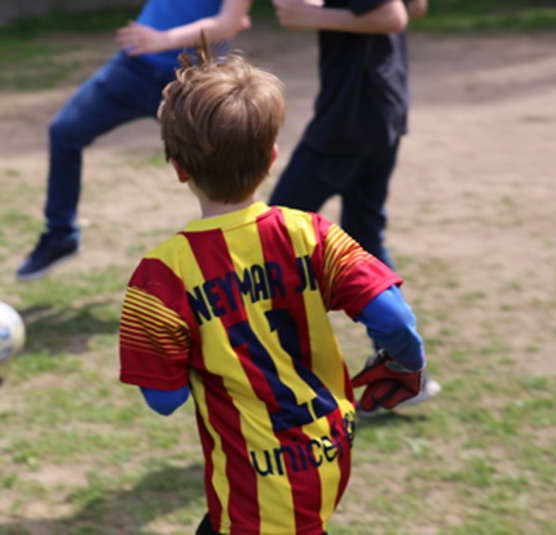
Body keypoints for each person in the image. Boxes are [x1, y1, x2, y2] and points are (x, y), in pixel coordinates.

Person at [119, 35, 428, 535]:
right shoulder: (312, 235)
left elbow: (163, 400)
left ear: (177, 169)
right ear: (272, 158)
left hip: (255, 493)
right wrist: (406, 363)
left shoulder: (162, 277)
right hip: (328, 453)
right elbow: (394, 318)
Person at [268, 0, 441, 407]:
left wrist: (313, 16)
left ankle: (274, 374)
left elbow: (394, 15)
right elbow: (415, 6)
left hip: (349, 121)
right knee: (365, 238)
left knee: (271, 235)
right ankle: (403, 371)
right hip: (382, 111)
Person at [15, 0, 252, 281]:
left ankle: (236, 254)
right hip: (135, 65)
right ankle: (59, 235)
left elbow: (227, 23)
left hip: (193, 77)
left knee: (216, 166)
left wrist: (164, 39)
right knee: (65, 131)